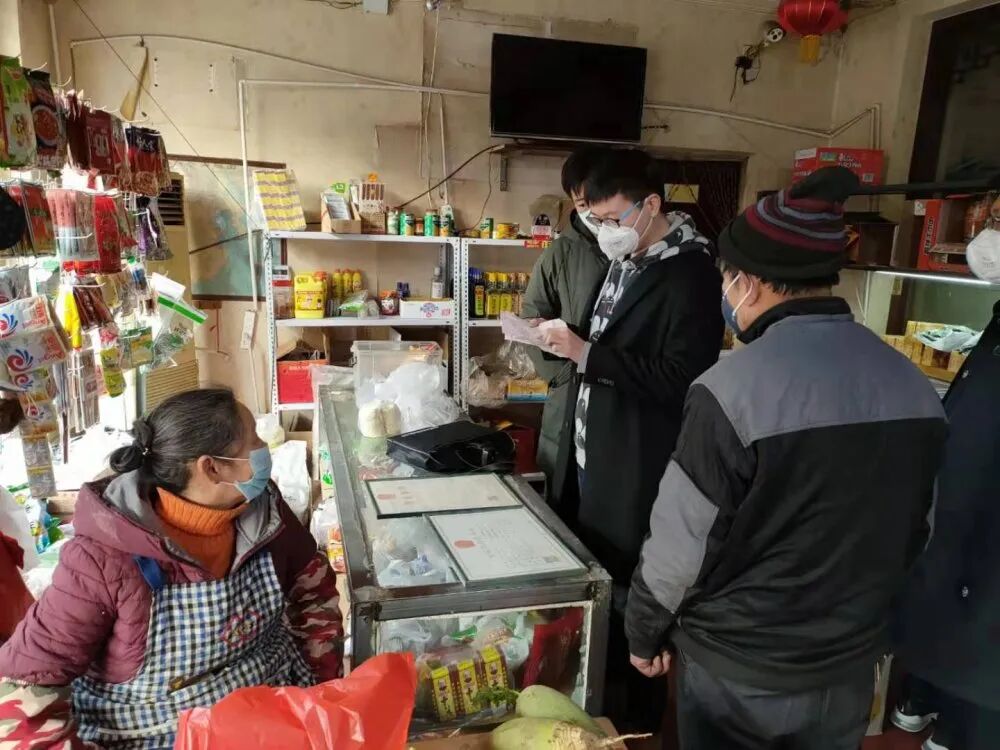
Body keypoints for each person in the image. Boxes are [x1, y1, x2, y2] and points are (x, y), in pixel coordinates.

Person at [625, 166, 948, 750]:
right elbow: (919, 531)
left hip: (739, 669)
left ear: (748, 283)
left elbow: (681, 543)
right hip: (847, 667)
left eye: (726, 279)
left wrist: (643, 630)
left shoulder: (730, 390)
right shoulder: (913, 385)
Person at [0, 388, 343, 748]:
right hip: (155, 736)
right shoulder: (100, 560)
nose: (264, 448)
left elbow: (312, 590)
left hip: (274, 717)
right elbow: (23, 692)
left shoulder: (264, 511)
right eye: (254, 439)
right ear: (212, 467)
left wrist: (320, 691)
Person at [541, 148, 723, 735]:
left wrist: (587, 354)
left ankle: (632, 723)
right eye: (594, 220)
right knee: (600, 589)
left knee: (633, 598)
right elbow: (610, 341)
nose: (604, 231)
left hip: (637, 461)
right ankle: (596, 704)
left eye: (612, 218)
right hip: (592, 452)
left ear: (651, 204)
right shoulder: (628, 257)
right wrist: (565, 340)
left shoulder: (692, 273)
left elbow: (681, 378)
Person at [891, 220, 1000, 750]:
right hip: (961, 494)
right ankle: (924, 696)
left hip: (986, 508)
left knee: (982, 610)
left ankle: (962, 729)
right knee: (943, 590)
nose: (988, 234)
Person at [521, 146, 610, 515]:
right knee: (561, 496)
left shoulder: (637, 250)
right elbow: (531, 316)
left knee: (607, 498)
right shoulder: (560, 253)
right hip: (569, 392)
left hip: (619, 393)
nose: (590, 211)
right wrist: (561, 376)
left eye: (595, 200)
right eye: (580, 202)